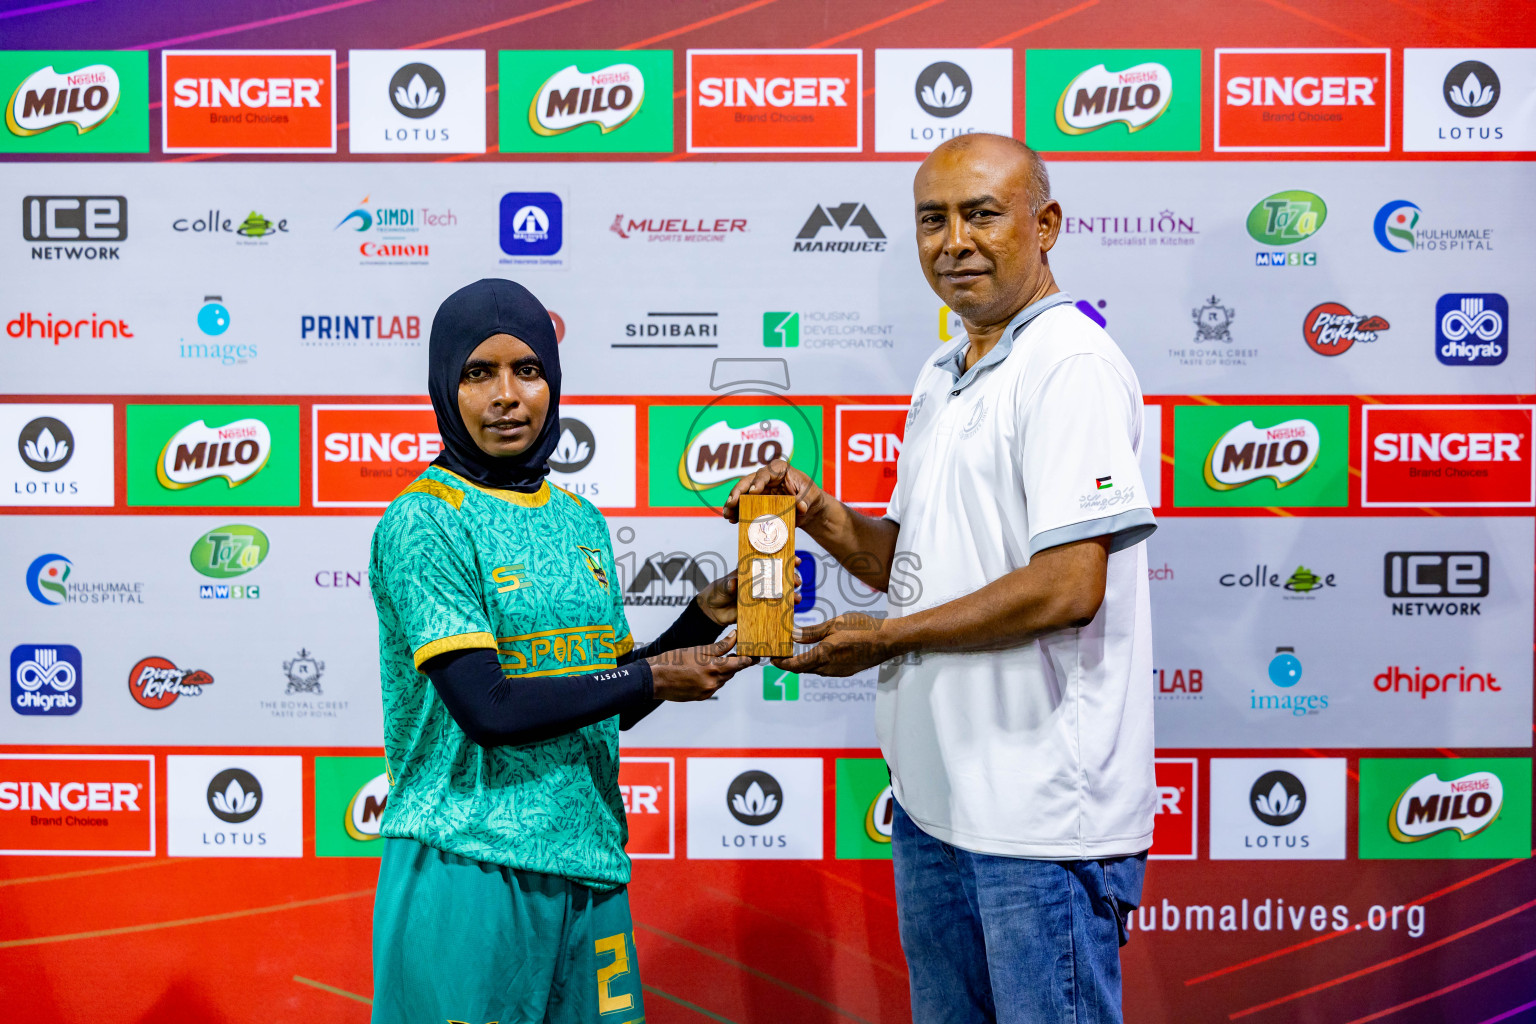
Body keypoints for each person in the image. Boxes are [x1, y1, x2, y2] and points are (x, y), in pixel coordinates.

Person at [725, 134, 1156, 1024]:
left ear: (1046, 226)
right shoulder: (943, 373)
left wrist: (886, 638)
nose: (953, 240)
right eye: (933, 219)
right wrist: (822, 515)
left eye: (981, 214)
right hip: (935, 805)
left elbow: (1070, 584)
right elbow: (918, 570)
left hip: (1039, 825)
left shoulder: (1068, 363)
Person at [368, 278, 755, 1024]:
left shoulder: (578, 517)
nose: (507, 396)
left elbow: (601, 702)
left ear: (553, 381)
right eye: (478, 374)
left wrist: (701, 620)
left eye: (528, 370)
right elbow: (491, 708)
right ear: (445, 389)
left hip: (588, 866)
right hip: (469, 867)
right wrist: (649, 674)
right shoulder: (424, 520)